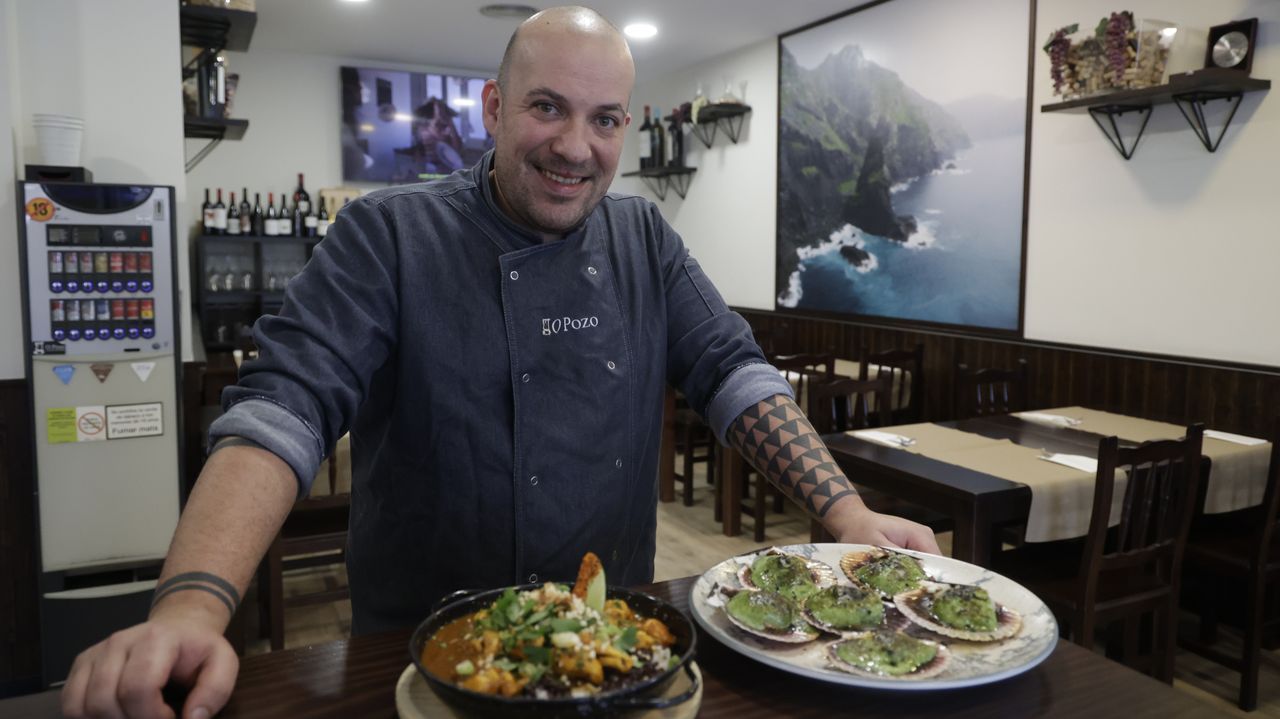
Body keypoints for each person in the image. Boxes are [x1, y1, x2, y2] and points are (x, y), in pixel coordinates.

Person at [62, 7, 939, 718]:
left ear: (625, 127)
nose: (574, 146)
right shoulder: (391, 234)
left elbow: (734, 372)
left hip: (613, 649)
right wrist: (191, 606)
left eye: (602, 120)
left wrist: (847, 511)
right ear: (492, 108)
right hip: (420, 659)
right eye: (547, 107)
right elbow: (284, 406)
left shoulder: (643, 238)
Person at [392, 97, 466, 181]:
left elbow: (457, 151)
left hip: (447, 170)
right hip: (431, 169)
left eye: (441, 110)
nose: (439, 114)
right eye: (437, 110)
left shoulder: (448, 130)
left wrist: (451, 125)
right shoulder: (424, 129)